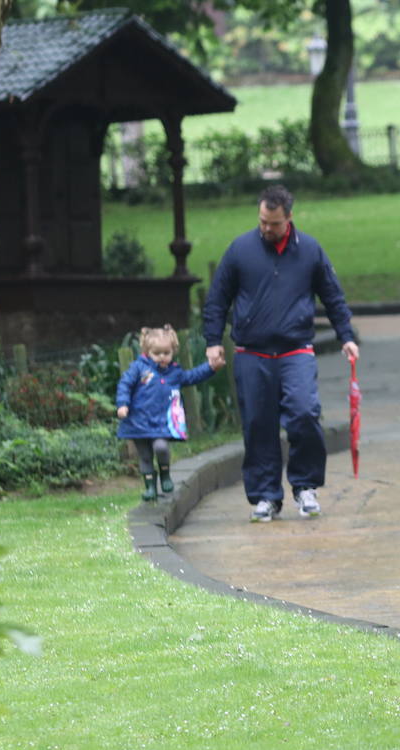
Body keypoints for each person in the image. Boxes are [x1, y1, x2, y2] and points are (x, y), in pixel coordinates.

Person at [202, 185, 360, 523]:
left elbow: (333, 296)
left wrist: (345, 336)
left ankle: (305, 486)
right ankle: (265, 497)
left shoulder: (311, 251)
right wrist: (213, 341)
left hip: (295, 350)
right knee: (259, 425)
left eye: (273, 223)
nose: (266, 229)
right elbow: (217, 299)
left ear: (289, 218)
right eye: (262, 221)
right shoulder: (240, 250)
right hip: (251, 352)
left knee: (304, 414)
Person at [116, 325, 217, 502]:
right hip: (138, 421)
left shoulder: (174, 372)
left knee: (161, 447)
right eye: (157, 353)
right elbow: (125, 385)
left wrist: (210, 367)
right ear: (147, 352)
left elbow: (191, 376)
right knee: (145, 456)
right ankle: (149, 488)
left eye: (166, 353)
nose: (162, 357)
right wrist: (123, 404)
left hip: (161, 421)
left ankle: (165, 474)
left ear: (173, 352)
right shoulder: (138, 368)